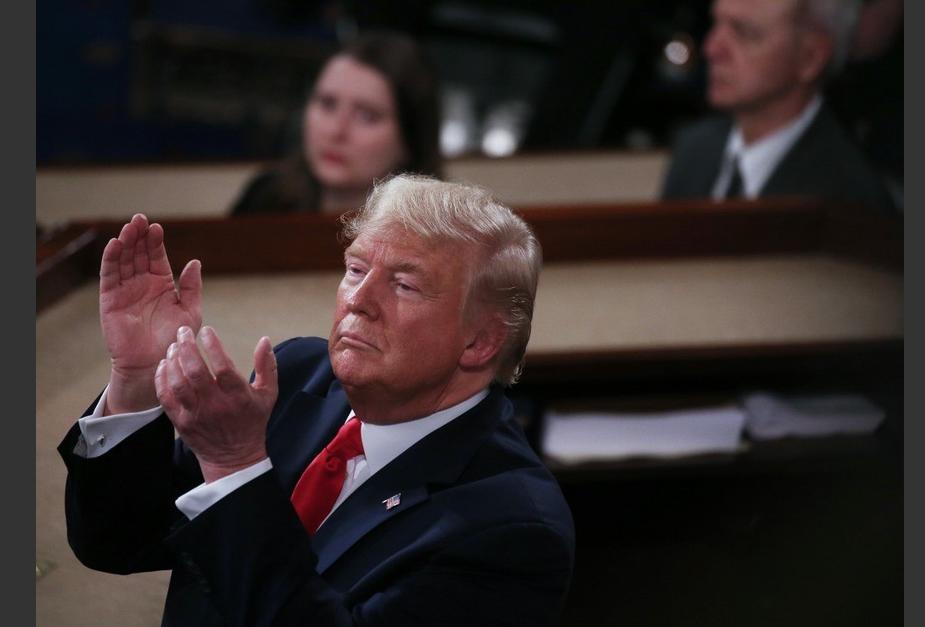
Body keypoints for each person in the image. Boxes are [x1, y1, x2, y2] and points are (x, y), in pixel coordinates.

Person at [59, 174, 575, 626]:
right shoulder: (298, 377)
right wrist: (137, 376)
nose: (358, 300)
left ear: (480, 341)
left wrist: (235, 467)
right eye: (355, 269)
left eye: (404, 285)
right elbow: (118, 540)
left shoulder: (513, 527)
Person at [660, 0, 897, 212]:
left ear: (810, 57)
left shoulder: (848, 199)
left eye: (744, 33)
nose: (712, 49)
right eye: (716, 23)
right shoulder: (694, 150)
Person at [230, 32, 442, 216]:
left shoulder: (434, 236)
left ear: (410, 139)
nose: (336, 131)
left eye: (367, 116)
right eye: (328, 104)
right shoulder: (265, 197)